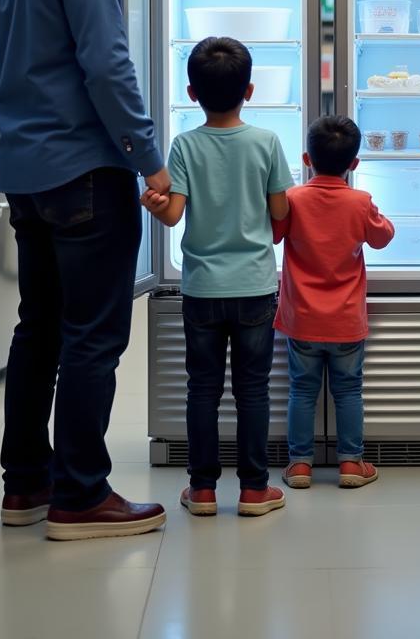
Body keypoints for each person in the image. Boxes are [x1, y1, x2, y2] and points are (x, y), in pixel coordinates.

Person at [0, 0, 170, 541]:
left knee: (39, 330)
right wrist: (150, 160)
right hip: (87, 173)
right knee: (92, 336)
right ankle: (82, 495)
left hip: (26, 173)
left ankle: (24, 485)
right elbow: (106, 67)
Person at [140, 36, 292, 518]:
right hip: (254, 286)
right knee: (253, 389)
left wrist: (155, 205)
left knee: (202, 389)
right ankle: (253, 490)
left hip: (202, 287)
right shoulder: (267, 142)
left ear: (191, 92)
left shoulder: (184, 145)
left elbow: (173, 217)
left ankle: (202, 489)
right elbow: (280, 212)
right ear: (250, 91)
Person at [271, 116, 395, 490]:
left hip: (302, 319)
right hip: (345, 321)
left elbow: (275, 234)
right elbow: (383, 237)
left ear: (307, 158)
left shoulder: (292, 198)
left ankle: (300, 466)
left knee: (302, 390)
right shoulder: (360, 202)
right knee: (348, 391)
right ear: (354, 163)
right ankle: (351, 465)